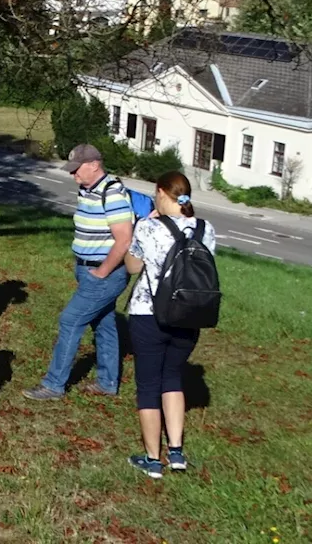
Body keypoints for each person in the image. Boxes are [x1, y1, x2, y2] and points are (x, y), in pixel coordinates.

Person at [24, 143, 133, 401]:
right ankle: (107, 383)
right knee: (104, 324)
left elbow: (124, 239)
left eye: (77, 169)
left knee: (70, 320)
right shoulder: (87, 190)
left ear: (94, 165)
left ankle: (54, 385)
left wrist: (103, 272)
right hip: (86, 270)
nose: (73, 175)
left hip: (104, 273)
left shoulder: (113, 193)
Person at [123, 172, 215, 478]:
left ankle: (152, 459)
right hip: (190, 314)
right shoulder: (205, 228)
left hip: (149, 312)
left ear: (162, 193)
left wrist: (144, 226)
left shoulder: (149, 227)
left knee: (148, 384)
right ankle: (176, 451)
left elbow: (133, 265)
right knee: (173, 377)